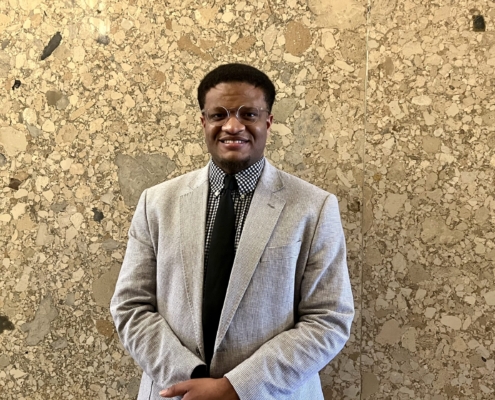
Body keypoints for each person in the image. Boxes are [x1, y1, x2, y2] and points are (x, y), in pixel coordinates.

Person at [110, 63, 354, 400]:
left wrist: (235, 388)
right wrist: (193, 380)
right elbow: (131, 306)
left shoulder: (314, 206)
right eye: (219, 115)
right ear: (203, 122)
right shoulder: (157, 203)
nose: (233, 126)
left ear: (268, 122)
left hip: (271, 394)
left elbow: (328, 318)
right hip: (177, 394)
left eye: (248, 114)